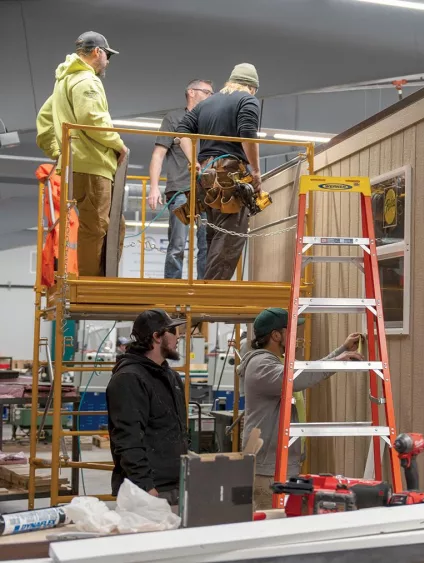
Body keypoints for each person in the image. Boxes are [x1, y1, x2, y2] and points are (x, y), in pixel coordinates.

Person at [239, 308, 364, 510]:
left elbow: (306, 369)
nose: (297, 336)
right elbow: (299, 377)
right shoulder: (261, 365)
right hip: (268, 471)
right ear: (276, 335)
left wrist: (341, 350)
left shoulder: (275, 362)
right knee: (272, 528)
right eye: (292, 330)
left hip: (280, 465)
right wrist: (339, 361)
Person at [36, 31, 129, 278]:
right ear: (97, 52)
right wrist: (119, 144)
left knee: (110, 225)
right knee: (96, 227)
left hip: (76, 165)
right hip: (93, 165)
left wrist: (59, 152)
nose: (108, 61)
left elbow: (44, 120)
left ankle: (100, 279)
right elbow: (93, 119)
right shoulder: (87, 81)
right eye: (107, 55)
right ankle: (92, 283)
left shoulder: (64, 80)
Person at [176, 63, 262, 281]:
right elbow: (248, 136)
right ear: (252, 87)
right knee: (229, 240)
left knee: (213, 237)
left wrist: (193, 160)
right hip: (229, 178)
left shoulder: (206, 103)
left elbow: (181, 131)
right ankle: (207, 304)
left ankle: (203, 299)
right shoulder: (247, 100)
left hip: (205, 178)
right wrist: (257, 172)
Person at [106, 309, 188, 505]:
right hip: (148, 491)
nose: (179, 336)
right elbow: (127, 439)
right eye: (173, 331)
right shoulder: (129, 379)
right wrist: (145, 487)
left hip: (177, 485)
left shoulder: (170, 376)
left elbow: (178, 431)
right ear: (157, 337)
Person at [148, 79, 214, 279]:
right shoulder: (173, 119)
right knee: (177, 244)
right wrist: (153, 188)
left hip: (207, 192)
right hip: (179, 190)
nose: (211, 97)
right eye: (208, 92)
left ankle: (204, 291)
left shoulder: (210, 122)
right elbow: (158, 155)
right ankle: (172, 289)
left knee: (206, 245)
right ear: (192, 92)